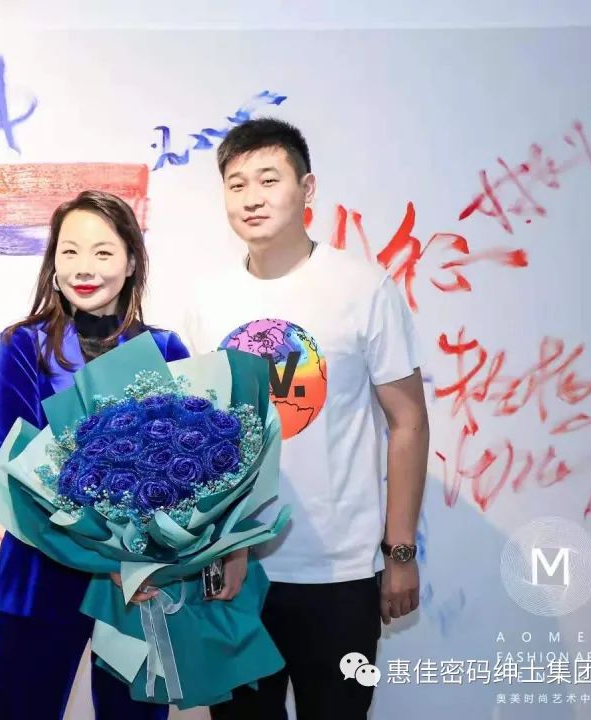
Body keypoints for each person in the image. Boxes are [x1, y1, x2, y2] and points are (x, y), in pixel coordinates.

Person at [182, 118, 430, 719]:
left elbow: (408, 421)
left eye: (269, 179)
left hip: (339, 575)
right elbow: (196, 439)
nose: (252, 197)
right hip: (235, 576)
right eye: (236, 184)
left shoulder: (363, 288)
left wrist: (399, 552)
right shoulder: (206, 302)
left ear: (307, 188)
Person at [0, 190, 191, 720]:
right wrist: (106, 553)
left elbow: (183, 475)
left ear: (131, 261)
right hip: (40, 573)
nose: (84, 267)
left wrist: (134, 557)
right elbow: (18, 456)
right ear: (53, 262)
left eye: (103, 252)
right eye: (70, 251)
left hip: (137, 586)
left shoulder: (166, 350)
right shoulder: (23, 345)